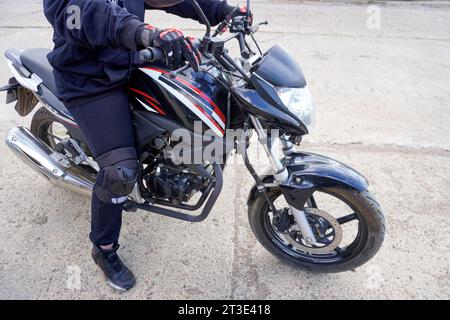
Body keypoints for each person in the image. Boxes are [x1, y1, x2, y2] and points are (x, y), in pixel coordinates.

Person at [43, 0, 249, 291]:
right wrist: (145, 33)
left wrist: (224, 11)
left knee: (202, 95)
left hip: (131, 60)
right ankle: (103, 248)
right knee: (121, 171)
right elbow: (85, 13)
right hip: (89, 81)